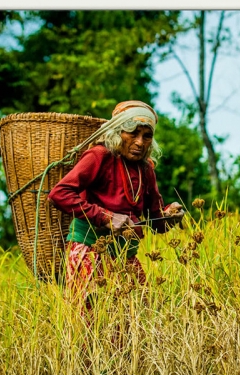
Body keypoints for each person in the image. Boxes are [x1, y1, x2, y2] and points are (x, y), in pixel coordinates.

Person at [48, 100, 184, 313]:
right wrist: (107, 217)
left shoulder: (146, 169)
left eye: (146, 136)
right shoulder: (99, 156)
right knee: (92, 323)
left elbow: (156, 222)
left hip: (125, 255)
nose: (140, 142)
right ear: (117, 131)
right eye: (132, 132)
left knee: (140, 316)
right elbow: (60, 194)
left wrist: (170, 215)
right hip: (90, 250)